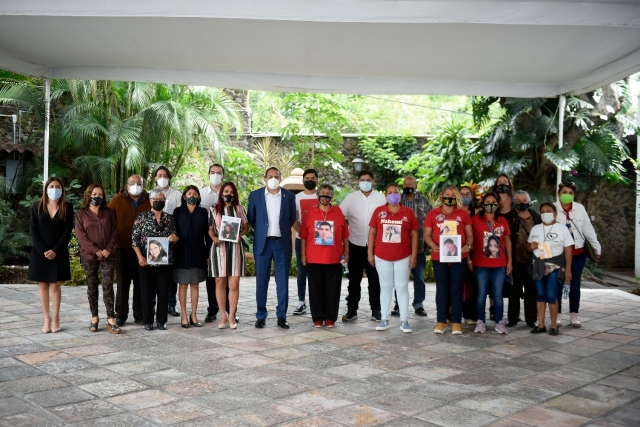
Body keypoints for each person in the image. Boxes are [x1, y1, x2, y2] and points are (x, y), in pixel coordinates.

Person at [248, 168, 296, 329]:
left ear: (280, 178)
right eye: (270, 177)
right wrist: (263, 231)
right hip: (263, 244)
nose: (273, 179)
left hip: (282, 243)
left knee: (282, 282)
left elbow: (291, 218)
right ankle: (261, 315)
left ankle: (281, 316)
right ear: (265, 178)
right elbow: (252, 218)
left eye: (276, 177)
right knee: (261, 282)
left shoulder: (289, 196)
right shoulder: (255, 196)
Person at [368, 183, 418, 333]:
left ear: (400, 194)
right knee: (385, 287)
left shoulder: (408, 212)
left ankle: (404, 320)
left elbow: (414, 234)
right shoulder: (379, 211)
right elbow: (372, 233)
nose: (393, 194)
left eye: (395, 192)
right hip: (382, 256)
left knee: (402, 287)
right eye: (389, 192)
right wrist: (370, 253)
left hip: (403, 256)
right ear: (385, 195)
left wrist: (414, 255)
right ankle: (384, 319)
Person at [424, 186, 473, 334]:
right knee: (442, 288)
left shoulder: (463, 214)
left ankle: (457, 322)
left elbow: (469, 234)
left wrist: (468, 246)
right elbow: (427, 235)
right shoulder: (433, 214)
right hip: (439, 257)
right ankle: (441, 321)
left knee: (457, 288)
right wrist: (433, 245)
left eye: (453, 195)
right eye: (447, 194)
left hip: (459, 256)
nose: (449, 197)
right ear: (441, 196)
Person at [339, 170, 386, 322]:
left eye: (368, 180)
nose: (365, 182)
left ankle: (376, 310)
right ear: (358, 181)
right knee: (354, 280)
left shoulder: (381, 198)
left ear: (373, 181)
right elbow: (339, 217)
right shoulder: (350, 198)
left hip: (376, 245)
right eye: (362, 180)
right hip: (355, 243)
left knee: (375, 280)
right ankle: (352, 310)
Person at [28, 177, 74, 334]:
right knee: (43, 285)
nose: (55, 189)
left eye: (58, 186)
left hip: (58, 252)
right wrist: (43, 250)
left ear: (62, 190)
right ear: (46, 189)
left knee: (55, 285)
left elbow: (67, 232)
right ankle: (46, 319)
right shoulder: (37, 207)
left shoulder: (67, 207)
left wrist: (55, 250)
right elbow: (33, 231)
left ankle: (56, 319)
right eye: (52, 186)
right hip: (40, 253)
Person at [300, 184, 349, 328]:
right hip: (314, 258)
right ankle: (317, 318)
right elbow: (303, 236)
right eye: (322, 193)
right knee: (315, 289)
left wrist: (346, 251)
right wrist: (303, 255)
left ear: (331, 196)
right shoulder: (311, 213)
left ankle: (330, 318)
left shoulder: (338, 212)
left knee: (333, 289)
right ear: (317, 196)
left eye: (328, 193)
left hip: (334, 258)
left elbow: (345, 234)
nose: (325, 196)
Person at [554, 181, 601, 327]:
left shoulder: (579, 208)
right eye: (564, 192)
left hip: (578, 252)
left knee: (575, 285)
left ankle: (574, 315)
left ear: (574, 195)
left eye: (570, 193)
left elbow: (588, 229)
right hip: (559, 254)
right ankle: (557, 315)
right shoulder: (553, 208)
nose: (567, 195)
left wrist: (596, 247)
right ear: (558, 194)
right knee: (558, 284)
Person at [75, 183, 120, 334]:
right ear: (89, 195)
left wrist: (107, 249)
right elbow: (81, 235)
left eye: (100, 195)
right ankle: (94, 317)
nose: (97, 197)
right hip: (89, 255)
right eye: (94, 194)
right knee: (92, 286)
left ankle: (110, 318)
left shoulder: (109, 212)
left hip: (108, 255)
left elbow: (115, 231)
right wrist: (96, 250)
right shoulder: (81, 214)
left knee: (108, 285)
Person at [131, 189, 178, 330]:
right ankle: (148, 321)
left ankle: (162, 321)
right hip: (146, 262)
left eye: (161, 199)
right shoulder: (141, 217)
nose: (158, 201)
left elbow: (175, 238)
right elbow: (134, 240)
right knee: (146, 291)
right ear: (150, 200)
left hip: (164, 262)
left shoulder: (170, 219)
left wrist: (175, 239)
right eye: (155, 199)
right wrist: (140, 257)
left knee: (163, 291)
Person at [108, 175, 150, 327]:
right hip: (122, 247)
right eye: (132, 183)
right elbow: (108, 219)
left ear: (143, 186)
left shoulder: (149, 200)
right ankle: (121, 314)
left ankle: (139, 313)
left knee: (141, 282)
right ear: (127, 186)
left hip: (143, 249)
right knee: (122, 283)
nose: (136, 186)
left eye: (139, 183)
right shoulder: (116, 200)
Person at [528, 202, 574, 335]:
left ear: (555, 213)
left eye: (548, 211)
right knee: (540, 295)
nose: (545, 213)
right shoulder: (536, 228)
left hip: (555, 266)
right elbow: (528, 246)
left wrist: (568, 270)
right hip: (538, 266)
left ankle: (553, 325)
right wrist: (531, 246)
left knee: (551, 295)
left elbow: (568, 250)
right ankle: (541, 324)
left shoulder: (562, 229)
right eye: (542, 211)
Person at [471, 191, 512, 334]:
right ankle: (480, 321)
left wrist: (510, 261)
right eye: (487, 203)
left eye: (493, 203)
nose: (490, 205)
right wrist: (469, 258)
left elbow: (507, 240)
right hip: (480, 264)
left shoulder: (502, 221)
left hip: (499, 265)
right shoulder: (475, 220)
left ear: (498, 204)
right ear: (483, 204)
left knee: (498, 294)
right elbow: (470, 239)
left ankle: (499, 322)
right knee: (481, 293)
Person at [210, 182, 249, 329]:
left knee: (234, 284)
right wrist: (213, 238)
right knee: (220, 282)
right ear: (221, 193)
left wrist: (239, 235)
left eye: (232, 192)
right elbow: (210, 229)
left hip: (235, 248)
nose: (229, 194)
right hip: (219, 249)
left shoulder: (239, 209)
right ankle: (222, 315)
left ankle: (232, 315)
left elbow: (246, 227)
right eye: (226, 191)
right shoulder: (213, 209)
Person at [173, 186, 209, 328]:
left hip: (198, 252)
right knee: (182, 284)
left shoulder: (203, 212)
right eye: (189, 193)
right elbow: (173, 231)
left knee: (195, 284)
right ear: (184, 196)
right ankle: (183, 315)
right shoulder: (178, 212)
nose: (192, 196)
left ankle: (193, 315)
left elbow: (207, 234)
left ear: (199, 197)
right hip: (181, 253)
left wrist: (207, 254)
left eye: (195, 194)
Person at [200, 164, 232, 323]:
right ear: (208, 174)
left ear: (223, 175)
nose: (215, 175)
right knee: (211, 275)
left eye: (219, 173)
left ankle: (229, 309)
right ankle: (212, 309)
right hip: (207, 237)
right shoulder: (201, 193)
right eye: (212, 172)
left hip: (227, 237)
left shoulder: (228, 192)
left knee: (226, 274)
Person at [153, 166, 182, 318]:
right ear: (155, 178)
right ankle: (153, 304)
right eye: (159, 175)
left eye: (165, 175)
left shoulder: (177, 194)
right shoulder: (150, 195)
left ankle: (171, 304)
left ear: (169, 177)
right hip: (154, 240)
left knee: (171, 275)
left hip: (172, 238)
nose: (162, 177)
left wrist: (176, 237)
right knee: (154, 274)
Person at [510, 190, 541, 328]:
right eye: (519, 201)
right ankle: (513, 318)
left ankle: (531, 319)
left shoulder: (536, 216)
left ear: (529, 201)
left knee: (531, 291)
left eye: (524, 200)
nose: (522, 203)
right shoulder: (511, 216)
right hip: (515, 259)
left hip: (532, 260)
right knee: (514, 291)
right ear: (514, 203)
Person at [292, 169, 319, 316]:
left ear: (317, 180)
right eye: (307, 178)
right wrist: (304, 234)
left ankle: (317, 301)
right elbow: (294, 219)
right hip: (301, 240)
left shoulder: (321, 196)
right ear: (303, 181)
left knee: (316, 273)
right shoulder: (296, 198)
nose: (310, 180)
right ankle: (301, 302)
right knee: (302, 272)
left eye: (313, 178)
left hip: (319, 242)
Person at [459, 185, 478, 324]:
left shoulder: (477, 213)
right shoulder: (453, 212)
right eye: (462, 194)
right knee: (455, 284)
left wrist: (470, 255)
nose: (465, 196)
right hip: (455, 254)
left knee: (472, 285)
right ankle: (450, 313)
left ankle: (470, 314)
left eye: (467, 194)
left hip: (475, 254)